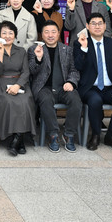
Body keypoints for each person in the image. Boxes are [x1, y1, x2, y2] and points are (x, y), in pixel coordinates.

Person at [73, 13, 112, 152]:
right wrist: (84, 49)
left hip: (110, 87)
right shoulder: (80, 42)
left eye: (100, 23)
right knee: (95, 101)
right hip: (90, 88)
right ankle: (95, 135)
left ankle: (111, 135)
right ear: (87, 26)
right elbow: (78, 66)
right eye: (93, 23)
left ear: (105, 26)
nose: (97, 26)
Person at [28, 21, 81, 153]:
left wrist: (71, 82)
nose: (50, 35)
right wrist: (38, 59)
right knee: (46, 100)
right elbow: (31, 71)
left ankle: (69, 134)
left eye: (53, 32)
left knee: (75, 100)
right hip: (44, 87)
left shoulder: (67, 50)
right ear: (42, 35)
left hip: (64, 87)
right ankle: (53, 135)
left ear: (58, 34)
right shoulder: (34, 49)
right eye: (46, 32)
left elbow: (74, 70)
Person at [0, 21, 36, 157]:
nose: (7, 36)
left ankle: (17, 139)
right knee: (8, 101)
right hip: (0, 83)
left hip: (19, 83)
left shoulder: (21, 51)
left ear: (15, 35)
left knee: (25, 101)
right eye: (4, 33)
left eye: (10, 33)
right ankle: (18, 140)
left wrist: (18, 85)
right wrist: (0, 53)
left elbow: (26, 72)